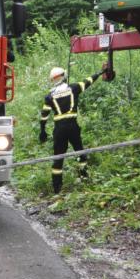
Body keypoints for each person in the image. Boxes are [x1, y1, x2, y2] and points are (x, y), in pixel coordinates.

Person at [38, 62, 109, 194]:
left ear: (53, 80)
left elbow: (44, 116)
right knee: (80, 152)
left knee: (58, 158)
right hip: (72, 127)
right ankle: (84, 178)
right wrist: (100, 72)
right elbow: (88, 81)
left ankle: (57, 189)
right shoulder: (74, 88)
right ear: (63, 76)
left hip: (59, 129)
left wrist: (42, 131)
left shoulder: (49, 96)